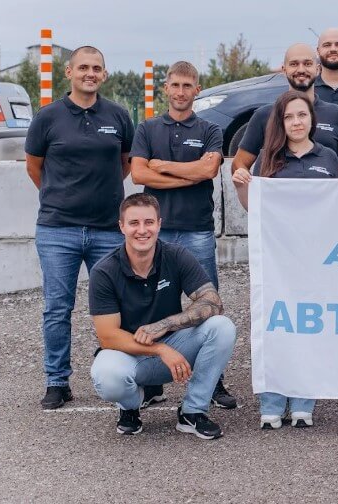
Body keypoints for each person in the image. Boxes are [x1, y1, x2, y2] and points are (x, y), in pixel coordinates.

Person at [24, 45, 135, 409]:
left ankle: (119, 375)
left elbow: (126, 163)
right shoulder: (48, 117)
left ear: (104, 74)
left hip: (107, 229)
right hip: (58, 229)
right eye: (83, 67)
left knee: (116, 305)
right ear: (69, 72)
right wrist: (60, 196)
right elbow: (34, 166)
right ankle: (57, 382)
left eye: (97, 68)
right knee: (58, 308)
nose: (90, 73)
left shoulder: (118, 115)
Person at [129, 60, 236, 410]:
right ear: (165, 88)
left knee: (208, 305)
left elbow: (209, 169)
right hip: (154, 232)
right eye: (174, 85)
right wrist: (189, 174)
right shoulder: (147, 129)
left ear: (197, 90)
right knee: (150, 303)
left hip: (196, 230)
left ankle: (213, 380)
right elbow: (139, 174)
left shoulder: (209, 129)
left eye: (187, 86)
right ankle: (152, 382)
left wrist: (163, 166)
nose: (180, 91)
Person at [232, 91, 338, 429]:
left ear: (311, 119)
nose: (296, 122)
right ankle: (272, 402)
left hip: (317, 259)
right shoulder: (268, 158)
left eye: (302, 115)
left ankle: (303, 403)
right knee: (275, 327)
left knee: (309, 327)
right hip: (278, 260)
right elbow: (254, 207)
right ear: (280, 123)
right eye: (289, 117)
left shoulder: (329, 157)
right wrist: (241, 185)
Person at [89, 193, 236, 439]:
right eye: (134, 223)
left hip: (176, 348)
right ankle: (130, 406)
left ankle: (193, 411)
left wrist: (165, 325)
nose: (142, 230)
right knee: (107, 376)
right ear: (121, 226)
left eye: (149, 222)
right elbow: (107, 336)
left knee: (222, 327)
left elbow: (213, 302)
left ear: (159, 224)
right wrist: (160, 349)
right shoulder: (104, 270)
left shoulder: (176, 255)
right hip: (130, 354)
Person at [232, 43, 338, 175]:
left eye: (307, 64)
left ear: (318, 69)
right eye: (294, 64)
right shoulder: (263, 115)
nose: (301, 70)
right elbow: (239, 165)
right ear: (284, 70)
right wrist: (245, 179)